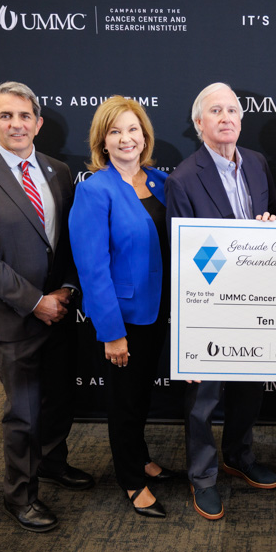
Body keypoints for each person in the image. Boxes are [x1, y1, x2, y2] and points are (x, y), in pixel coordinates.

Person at [0, 81, 93, 533]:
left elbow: (69, 242)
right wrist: (35, 303)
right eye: (6, 116)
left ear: (39, 123)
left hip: (61, 311)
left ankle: (51, 463)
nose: (16, 124)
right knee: (24, 412)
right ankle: (21, 495)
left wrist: (66, 290)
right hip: (13, 318)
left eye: (25, 116)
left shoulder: (58, 171)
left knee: (61, 402)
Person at [165, 82, 276, 520]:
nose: (227, 117)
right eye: (216, 110)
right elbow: (185, 251)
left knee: (249, 392)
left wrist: (266, 232)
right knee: (203, 401)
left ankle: (238, 456)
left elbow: (273, 220)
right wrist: (237, 253)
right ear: (199, 123)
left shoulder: (256, 162)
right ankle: (203, 477)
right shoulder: (183, 178)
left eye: (233, 110)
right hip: (208, 307)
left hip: (255, 304)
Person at [69, 97, 172, 519]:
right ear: (102, 141)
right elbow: (92, 268)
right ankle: (131, 478)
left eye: (133, 129)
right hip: (124, 318)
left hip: (161, 310)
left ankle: (141, 455)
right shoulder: (95, 189)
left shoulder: (163, 181)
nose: (126, 138)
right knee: (125, 401)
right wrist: (111, 332)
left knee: (142, 394)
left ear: (144, 136)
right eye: (115, 131)